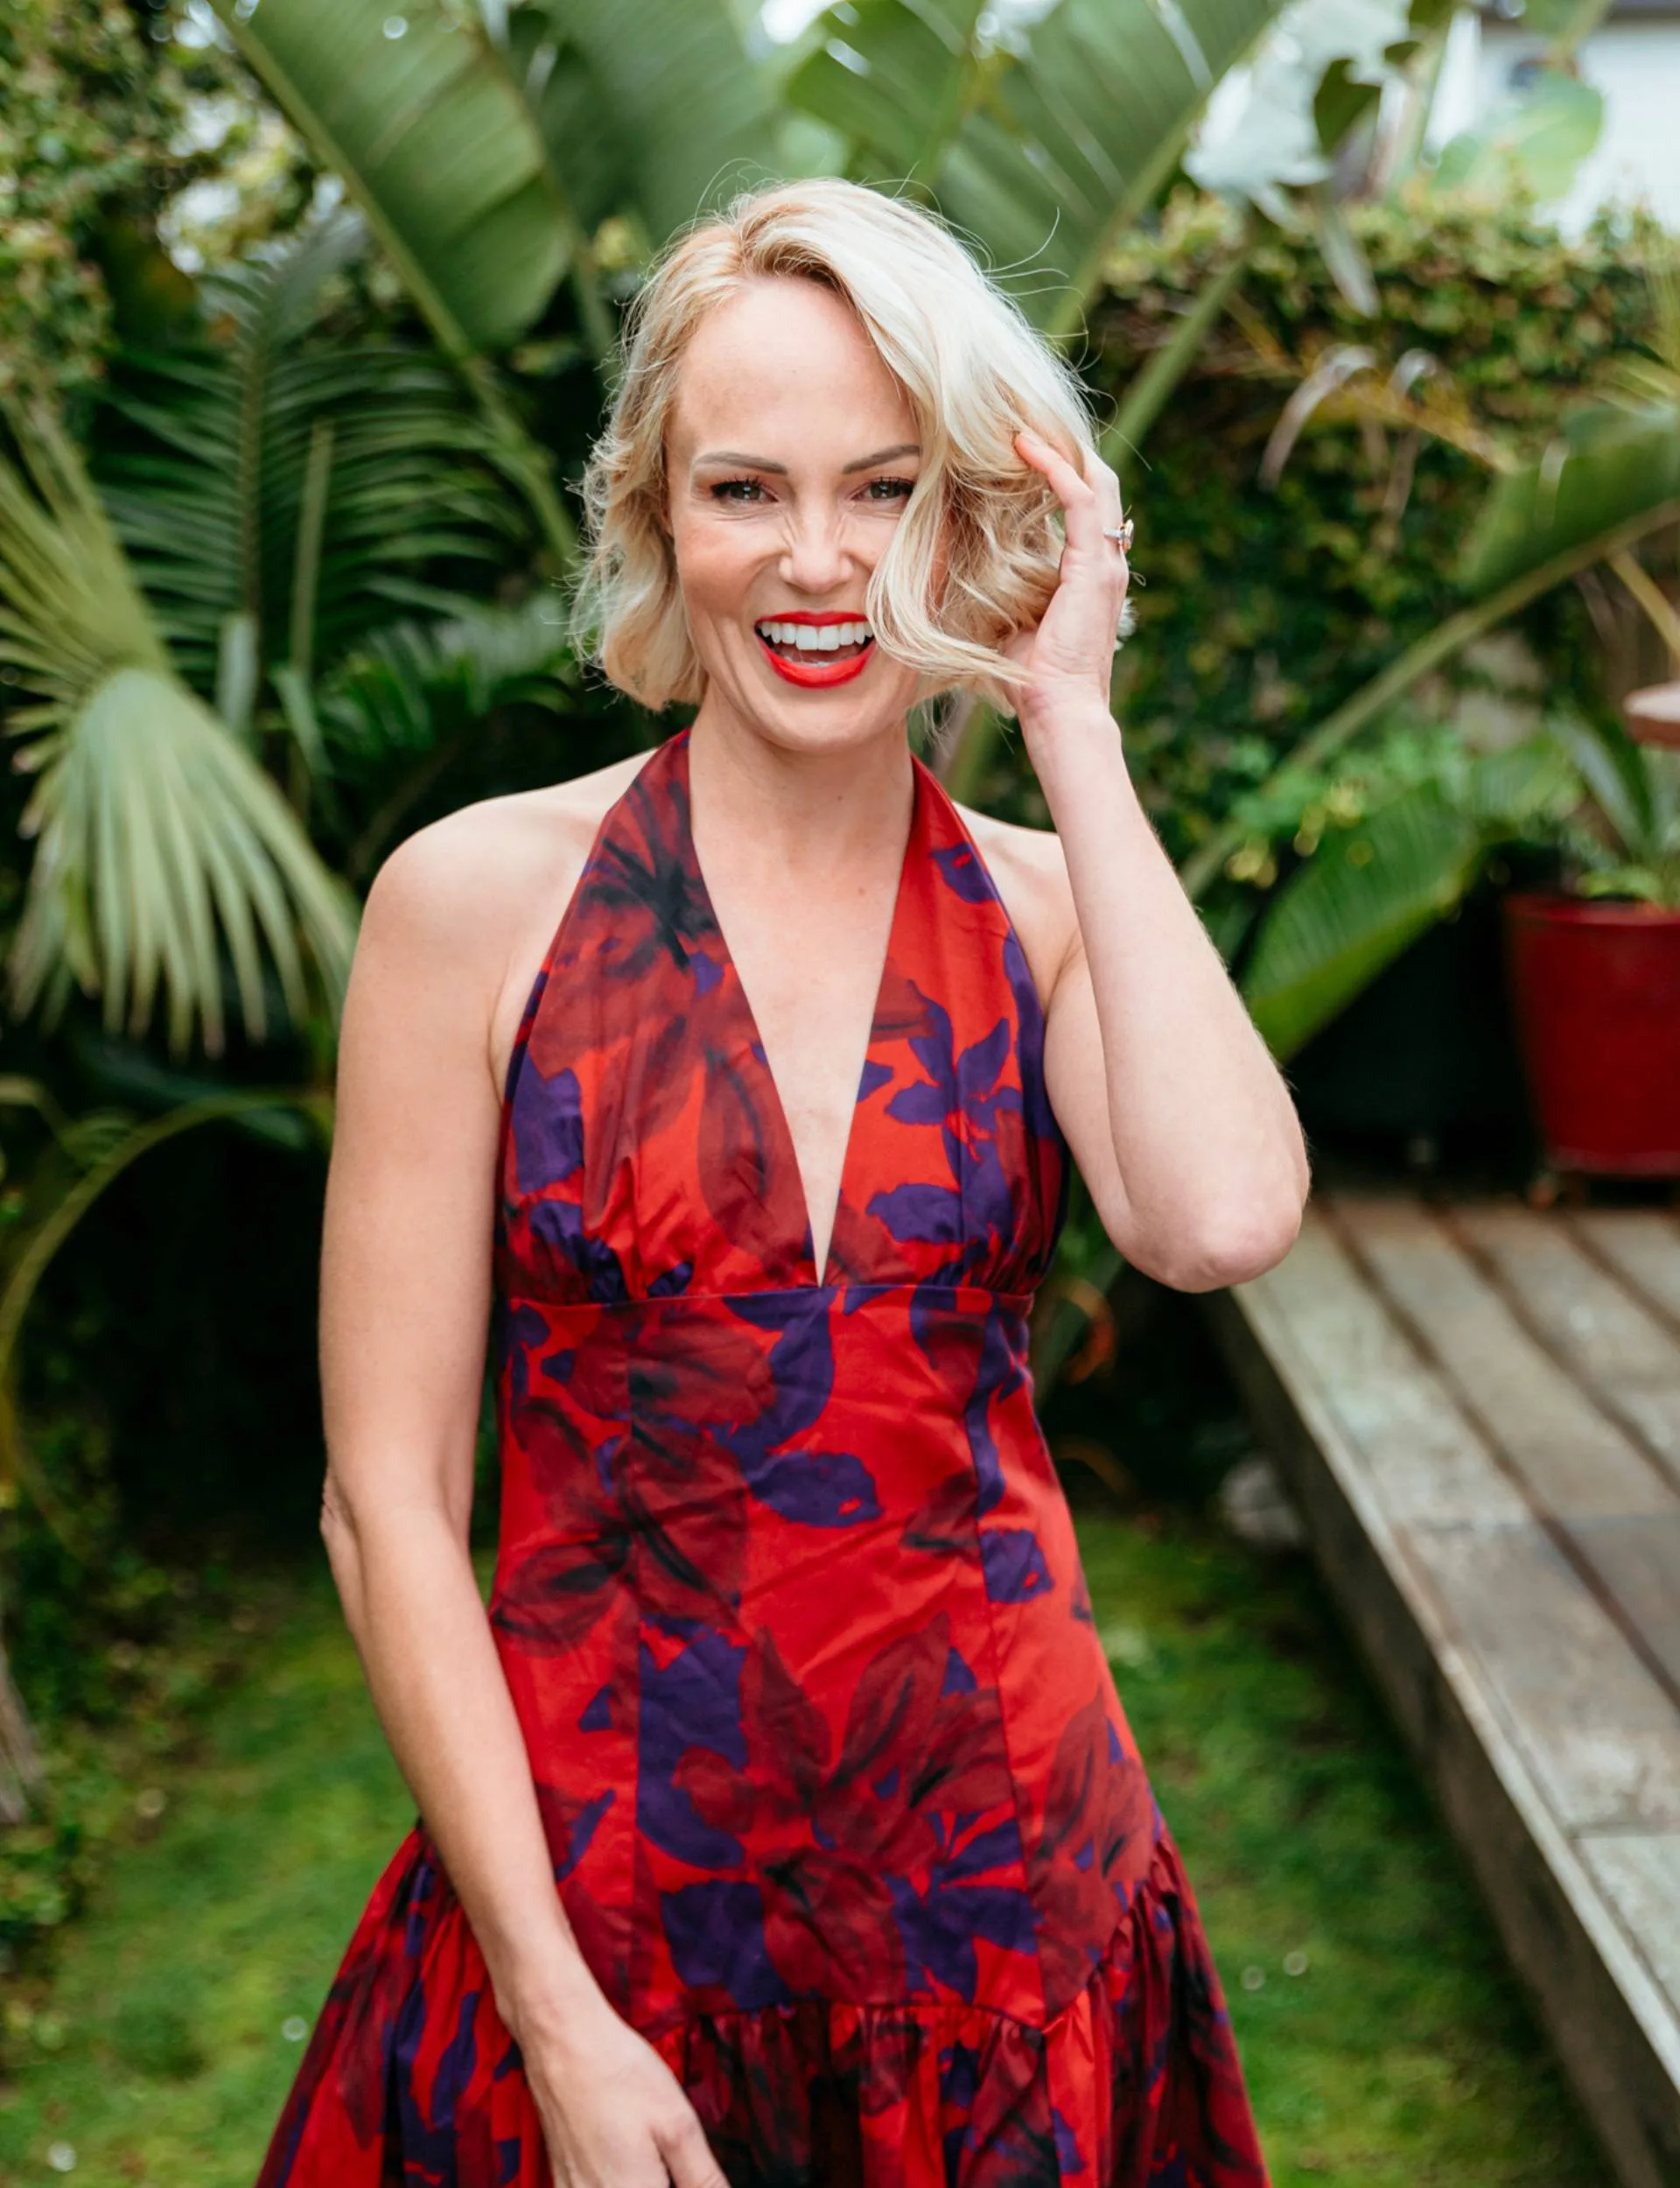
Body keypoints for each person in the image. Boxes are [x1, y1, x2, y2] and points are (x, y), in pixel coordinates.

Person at [257, 178, 1308, 2188]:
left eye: (887, 491)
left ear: (972, 519)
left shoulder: (1044, 910)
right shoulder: (474, 906)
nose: (819, 562)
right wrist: (554, 2016)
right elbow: (380, 1502)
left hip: (1003, 1920)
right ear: (659, 515)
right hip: (600, 1924)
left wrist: (1069, 715)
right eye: (746, 489)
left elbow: (1217, 1218)